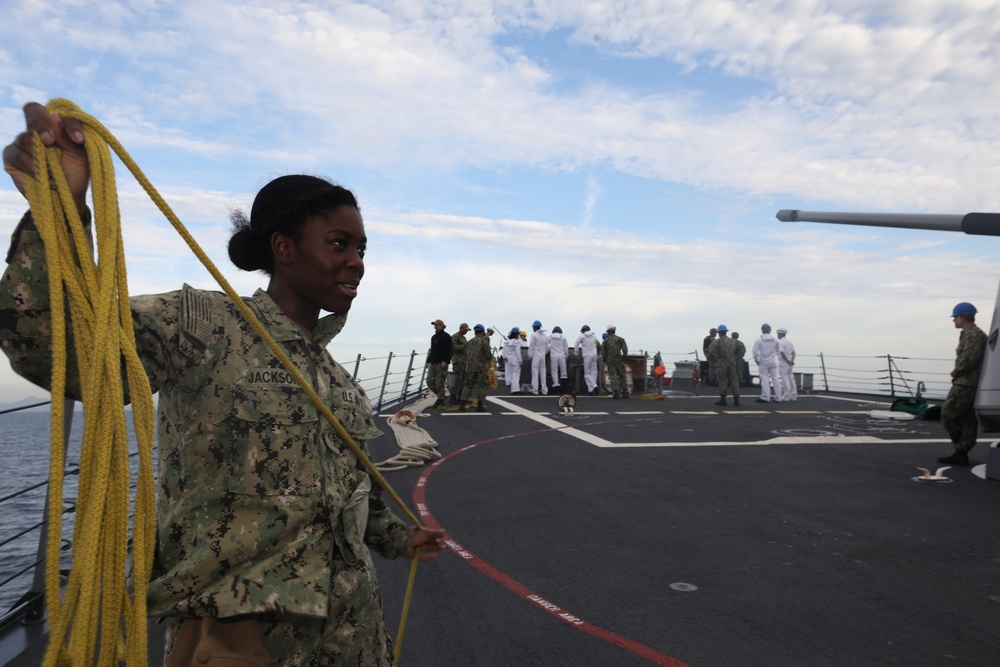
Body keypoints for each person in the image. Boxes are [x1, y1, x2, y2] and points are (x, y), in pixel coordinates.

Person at [0, 104, 446, 665]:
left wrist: (398, 538)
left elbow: (345, 495)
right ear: (283, 248)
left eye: (362, 249)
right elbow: (57, 345)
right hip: (244, 642)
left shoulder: (338, 382)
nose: (356, 262)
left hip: (350, 635)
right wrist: (59, 210)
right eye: (339, 243)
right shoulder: (203, 324)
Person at [939, 302, 988, 466]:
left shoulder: (974, 335)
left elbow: (969, 360)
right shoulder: (969, 334)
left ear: (962, 317)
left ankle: (961, 447)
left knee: (948, 413)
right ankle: (961, 452)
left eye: (955, 318)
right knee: (967, 418)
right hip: (968, 382)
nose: (954, 321)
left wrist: (956, 372)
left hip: (966, 383)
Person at [460, 324, 492, 411]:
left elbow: (466, 353)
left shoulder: (469, 342)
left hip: (470, 368)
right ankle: (480, 405)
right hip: (481, 368)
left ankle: (462, 404)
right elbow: (488, 355)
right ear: (482, 332)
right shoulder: (483, 342)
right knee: (482, 385)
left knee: (468, 385)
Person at [707, 325, 739, 406]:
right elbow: (741, 350)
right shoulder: (734, 341)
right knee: (734, 379)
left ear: (719, 333)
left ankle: (723, 399)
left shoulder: (717, 342)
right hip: (732, 361)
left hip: (722, 362)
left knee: (722, 379)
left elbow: (711, 351)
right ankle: (736, 399)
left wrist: (717, 358)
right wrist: (735, 358)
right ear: (726, 332)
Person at [752, 323, 783, 403]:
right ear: (770, 330)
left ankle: (765, 397)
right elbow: (779, 350)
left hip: (763, 361)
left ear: (762, 330)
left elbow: (755, 351)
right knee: (775, 379)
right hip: (773, 361)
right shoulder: (775, 340)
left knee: (764, 379)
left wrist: (757, 360)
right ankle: (778, 397)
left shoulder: (759, 340)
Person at [426, 319, 452, 407]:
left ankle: (440, 400)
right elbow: (432, 350)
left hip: (441, 363)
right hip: (433, 362)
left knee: (439, 382)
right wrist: (428, 361)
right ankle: (441, 396)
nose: (435, 326)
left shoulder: (446, 337)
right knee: (429, 381)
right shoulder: (433, 337)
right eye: (435, 325)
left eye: (437, 325)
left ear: (441, 325)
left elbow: (449, 350)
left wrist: (446, 361)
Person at [602, 325, 629, 399]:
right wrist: (623, 357)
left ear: (609, 332)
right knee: (622, 375)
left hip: (610, 362)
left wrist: (605, 360)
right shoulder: (620, 339)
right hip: (619, 360)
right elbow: (625, 350)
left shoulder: (605, 341)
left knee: (613, 376)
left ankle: (616, 393)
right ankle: (624, 392)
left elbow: (603, 353)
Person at [575, 325, 601, 395]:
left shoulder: (582, 336)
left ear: (583, 330)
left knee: (587, 373)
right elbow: (597, 345)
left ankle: (594, 386)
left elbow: (576, 345)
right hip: (594, 355)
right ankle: (591, 390)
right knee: (594, 372)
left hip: (587, 356)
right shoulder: (594, 336)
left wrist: (576, 355)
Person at [449, 322, 470, 404]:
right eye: (465, 330)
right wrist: (464, 346)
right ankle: (453, 396)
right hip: (458, 361)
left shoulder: (463, 338)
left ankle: (461, 396)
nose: (466, 331)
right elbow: (453, 347)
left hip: (464, 361)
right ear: (461, 328)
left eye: (467, 330)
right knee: (458, 379)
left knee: (463, 380)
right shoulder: (455, 337)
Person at [528, 320, 549, 395]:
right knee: (543, 372)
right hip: (542, 356)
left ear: (535, 327)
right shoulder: (545, 336)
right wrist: (543, 353)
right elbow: (547, 348)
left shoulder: (534, 335)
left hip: (536, 356)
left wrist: (530, 356)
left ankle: (535, 390)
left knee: (535, 373)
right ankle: (544, 390)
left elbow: (532, 347)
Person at [776, 327, 797, 401]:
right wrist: (791, 360)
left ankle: (786, 395)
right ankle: (794, 395)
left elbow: (781, 352)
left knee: (784, 378)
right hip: (790, 363)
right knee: (791, 378)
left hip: (783, 362)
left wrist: (787, 361)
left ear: (780, 334)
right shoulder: (789, 342)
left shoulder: (780, 342)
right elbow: (793, 353)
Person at [502, 327, 524, 394]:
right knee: (516, 375)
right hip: (515, 360)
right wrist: (521, 361)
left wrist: (504, 357)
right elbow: (518, 353)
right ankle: (515, 389)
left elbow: (504, 351)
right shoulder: (517, 342)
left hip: (509, 360)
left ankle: (512, 387)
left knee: (511, 374)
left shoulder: (506, 342)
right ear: (516, 334)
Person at [548, 326, 570, 393]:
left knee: (554, 371)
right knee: (563, 372)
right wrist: (566, 356)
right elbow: (566, 349)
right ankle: (564, 388)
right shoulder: (563, 337)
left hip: (553, 355)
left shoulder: (550, 337)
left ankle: (556, 386)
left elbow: (547, 346)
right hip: (561, 355)